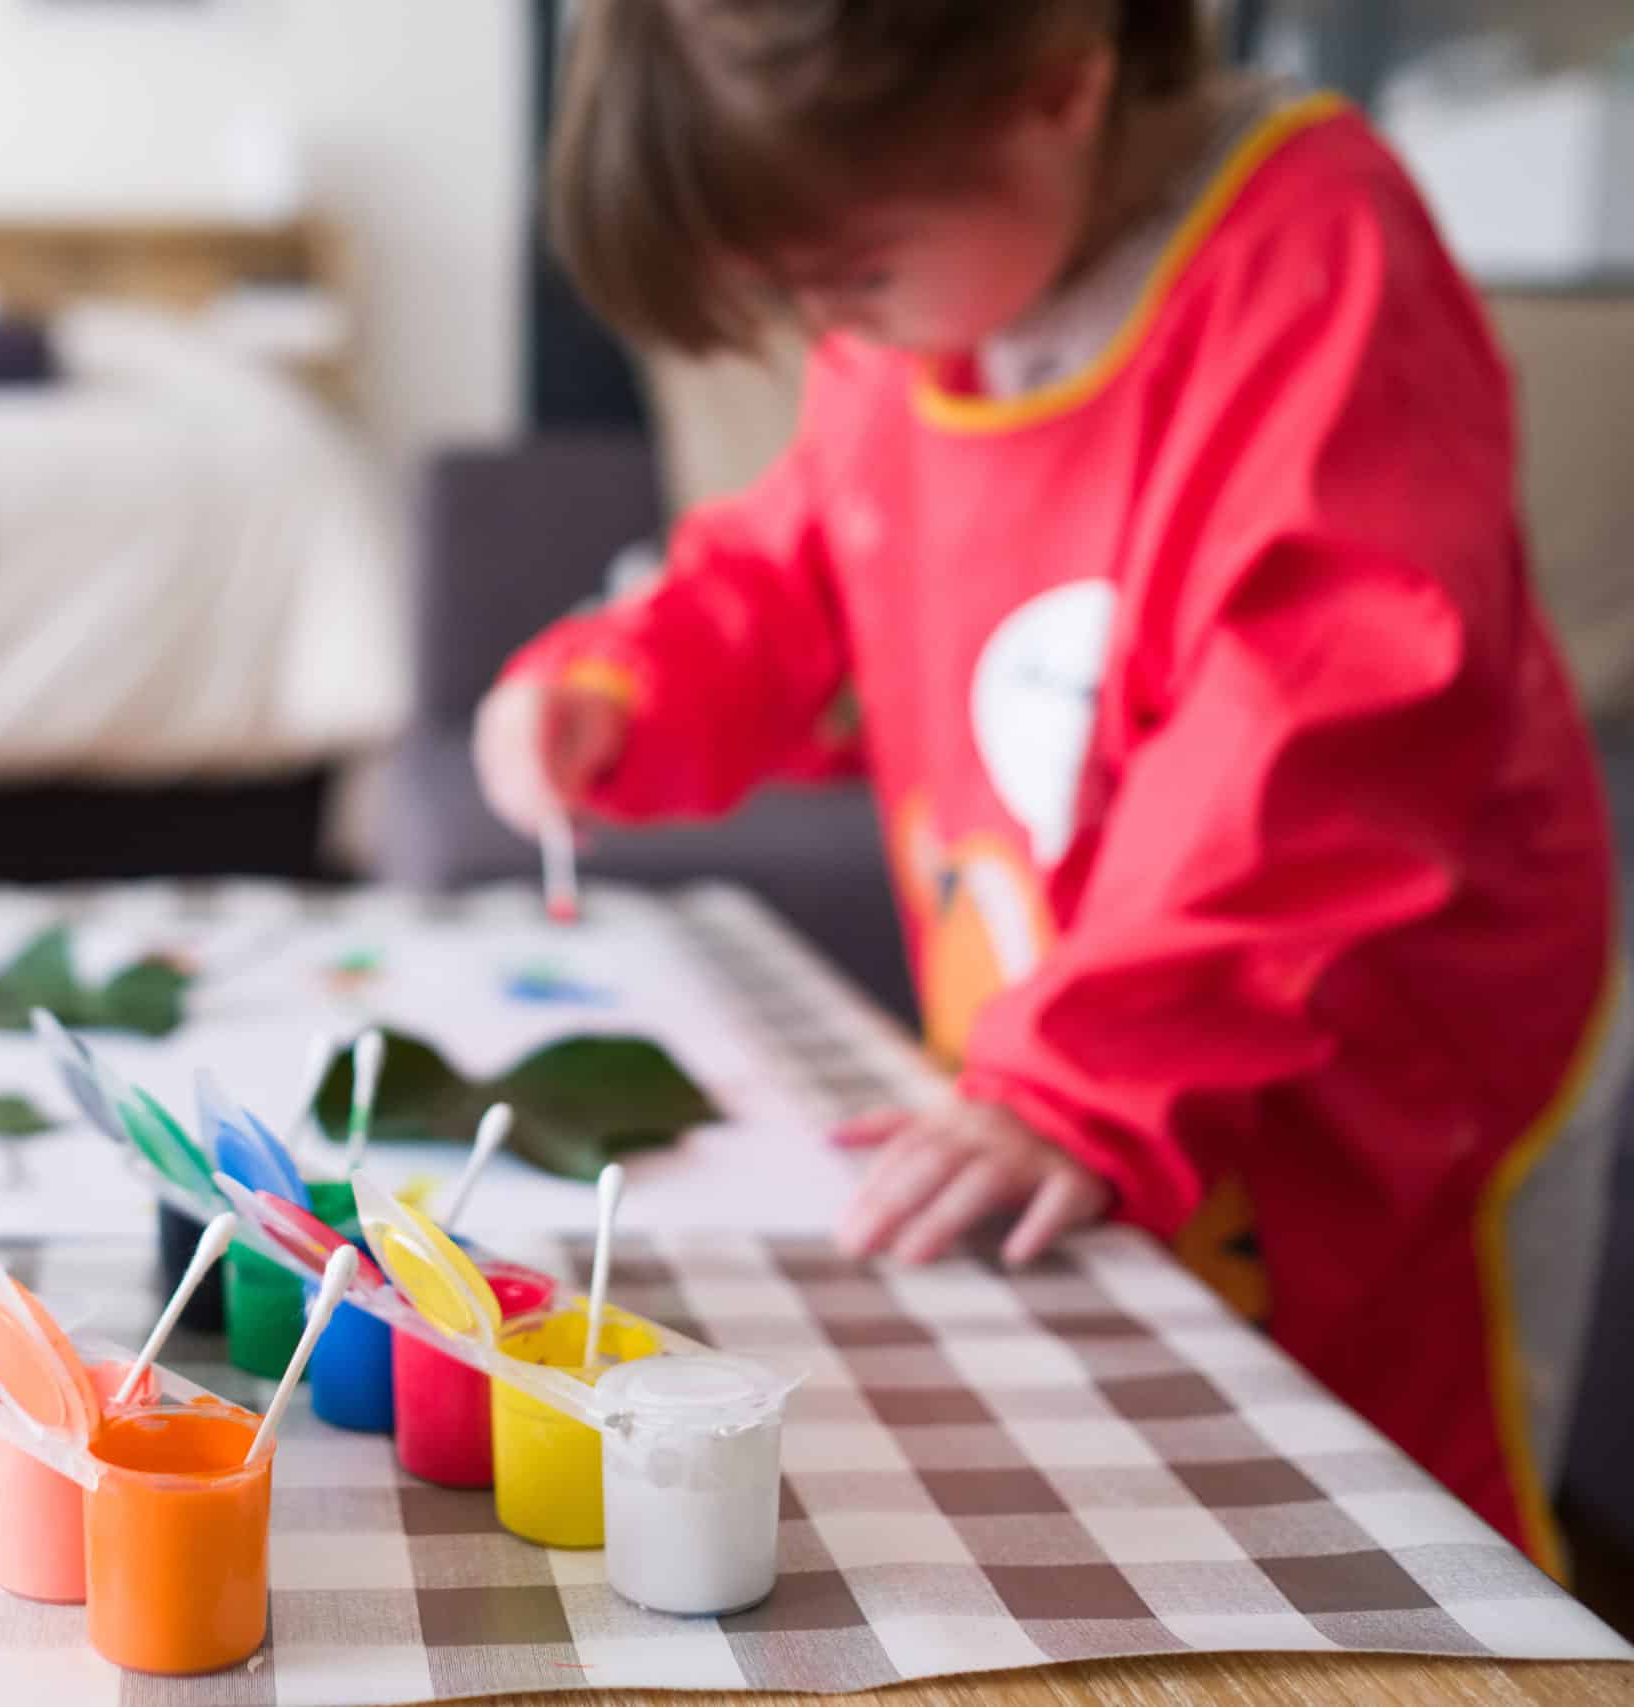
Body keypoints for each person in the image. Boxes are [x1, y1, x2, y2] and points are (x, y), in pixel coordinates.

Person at [476, 0, 1625, 1572]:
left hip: (1387, 1065)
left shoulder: (1311, 246)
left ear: (1058, 93)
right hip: (1097, 1056)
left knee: (1400, 1520)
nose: (844, 330)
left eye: (855, 274)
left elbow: (1321, 722)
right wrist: (624, 687)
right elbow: (803, 566)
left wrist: (1082, 1076)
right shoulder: (909, 329)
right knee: (1151, 1493)